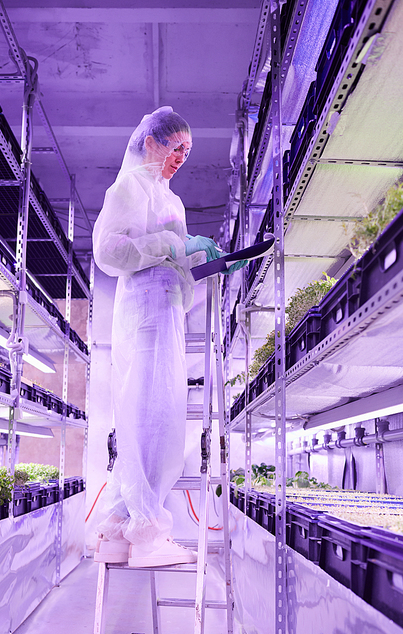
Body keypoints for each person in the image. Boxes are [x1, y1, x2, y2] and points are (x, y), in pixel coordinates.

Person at [92, 106, 244, 568]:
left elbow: (175, 261)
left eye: (188, 151)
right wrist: (174, 245)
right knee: (153, 417)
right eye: (176, 147)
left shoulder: (170, 200)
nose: (182, 156)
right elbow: (109, 251)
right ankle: (148, 532)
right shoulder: (129, 188)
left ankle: (119, 528)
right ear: (152, 142)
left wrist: (206, 258)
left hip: (166, 311)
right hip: (145, 313)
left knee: (151, 412)